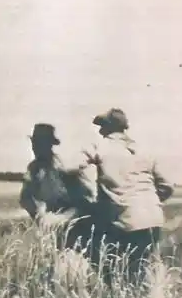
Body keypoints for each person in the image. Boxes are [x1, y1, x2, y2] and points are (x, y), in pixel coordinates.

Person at [74, 108, 174, 285]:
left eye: (101, 127)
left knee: (114, 273)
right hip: (152, 220)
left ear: (106, 128)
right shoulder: (144, 150)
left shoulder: (101, 146)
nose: (99, 131)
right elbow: (167, 186)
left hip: (123, 222)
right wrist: (148, 202)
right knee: (139, 270)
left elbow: (72, 166)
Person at [19, 123, 99, 255]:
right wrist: (40, 215)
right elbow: (25, 198)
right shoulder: (33, 169)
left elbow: (85, 203)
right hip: (49, 233)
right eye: (34, 144)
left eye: (40, 144)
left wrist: (61, 219)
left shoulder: (64, 168)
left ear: (49, 145)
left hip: (75, 233)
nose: (35, 148)